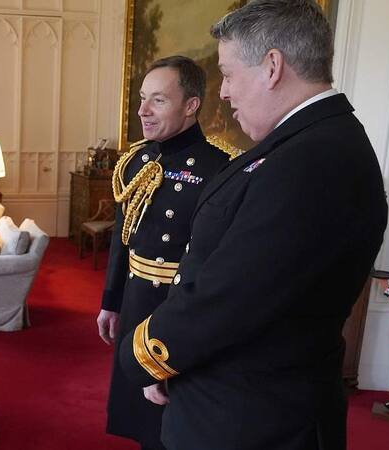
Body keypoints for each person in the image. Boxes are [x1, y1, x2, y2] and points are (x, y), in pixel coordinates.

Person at [117, 1, 388, 449]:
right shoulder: (309, 143)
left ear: (272, 66)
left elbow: (230, 296)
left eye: (228, 73)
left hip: (251, 420)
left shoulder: (310, 162)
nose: (223, 92)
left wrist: (142, 354)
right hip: (239, 404)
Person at [96, 56, 231, 449]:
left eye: (158, 100)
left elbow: (211, 264)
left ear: (191, 106)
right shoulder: (136, 160)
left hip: (178, 308)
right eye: (142, 98)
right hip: (136, 300)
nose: (143, 110)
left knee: (172, 419)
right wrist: (111, 302)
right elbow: (123, 238)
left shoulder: (218, 167)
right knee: (138, 413)